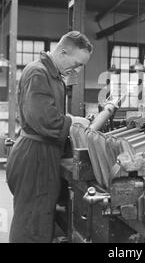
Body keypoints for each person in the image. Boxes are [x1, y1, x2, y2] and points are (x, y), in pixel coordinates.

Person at [6, 31, 93, 243]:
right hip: (34, 156)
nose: (78, 69)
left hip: (43, 153)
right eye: (77, 63)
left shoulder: (51, 75)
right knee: (31, 224)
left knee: (40, 218)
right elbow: (43, 120)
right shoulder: (38, 73)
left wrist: (70, 118)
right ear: (63, 51)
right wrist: (73, 122)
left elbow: (47, 111)